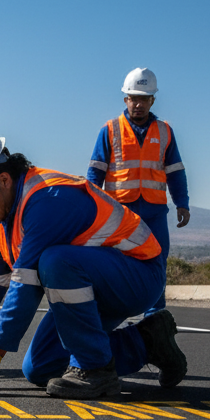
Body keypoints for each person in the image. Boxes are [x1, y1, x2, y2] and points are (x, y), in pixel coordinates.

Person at [0, 129, 188, 398]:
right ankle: (149, 343)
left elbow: (25, 283)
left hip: (138, 274)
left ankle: (96, 369)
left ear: (4, 179)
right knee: (40, 367)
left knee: (54, 262)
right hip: (91, 286)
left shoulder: (47, 199)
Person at [87, 67, 189, 315]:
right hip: (120, 212)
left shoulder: (165, 131)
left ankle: (155, 315)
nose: (139, 105)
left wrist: (182, 203)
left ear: (152, 100)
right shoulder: (110, 130)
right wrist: (90, 206)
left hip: (154, 211)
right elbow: (95, 173)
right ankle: (110, 310)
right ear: (126, 100)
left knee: (156, 261)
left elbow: (175, 170)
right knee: (113, 262)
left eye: (144, 99)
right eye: (134, 99)